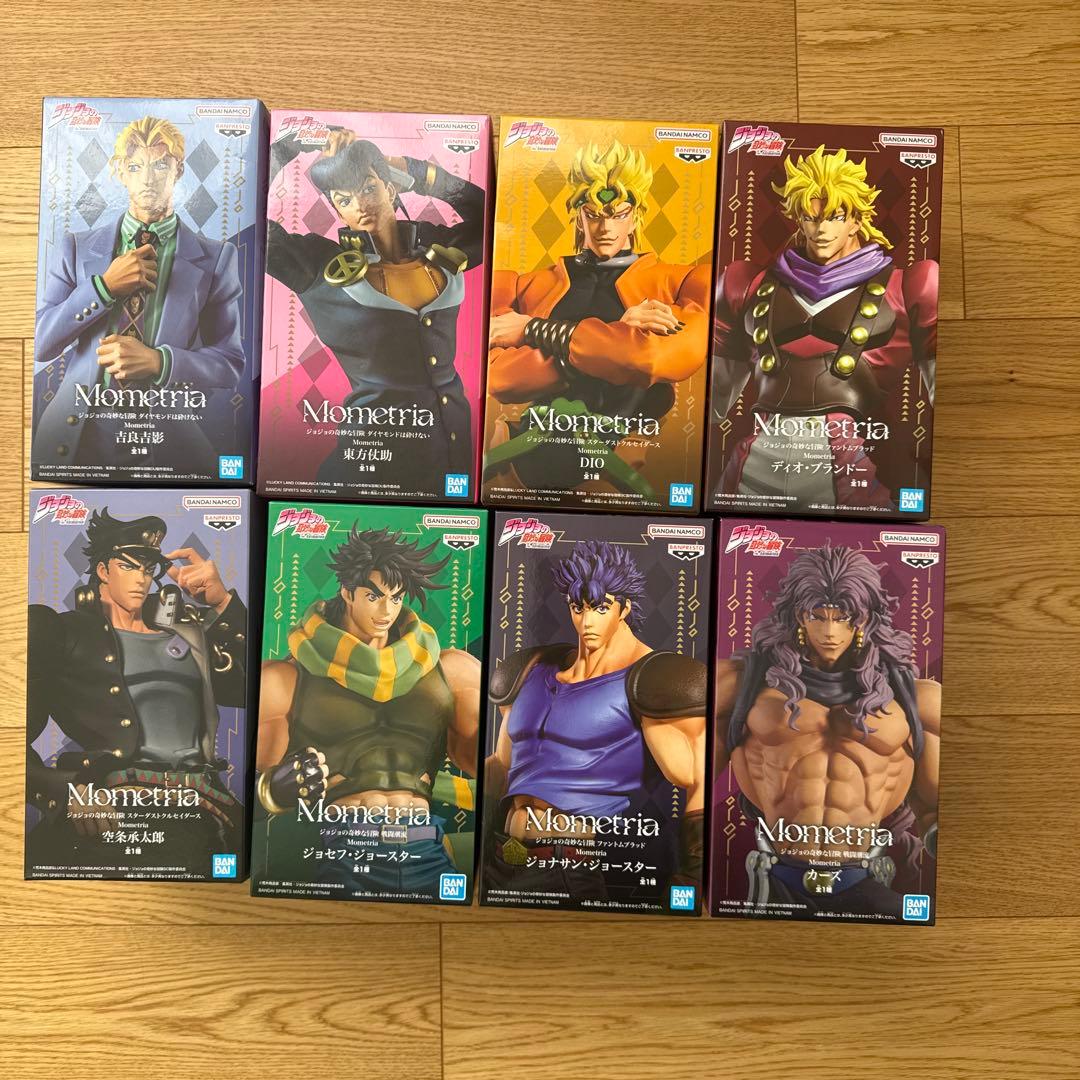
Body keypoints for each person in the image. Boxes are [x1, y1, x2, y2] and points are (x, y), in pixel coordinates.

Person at [715, 544, 941, 916]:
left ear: (866, 619)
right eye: (818, 616)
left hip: (866, 878)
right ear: (798, 616)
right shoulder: (744, 685)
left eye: (845, 617)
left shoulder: (915, 699)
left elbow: (933, 811)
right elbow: (691, 778)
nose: (831, 631)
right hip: (773, 879)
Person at [256, 526, 480, 898]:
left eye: (396, 597)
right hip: (345, 846)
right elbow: (249, 789)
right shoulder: (287, 678)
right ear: (347, 592)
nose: (386, 611)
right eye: (373, 596)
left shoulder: (451, 672)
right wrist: (275, 790)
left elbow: (485, 767)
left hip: (424, 844)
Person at [710, 144, 938, 508]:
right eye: (811, 217)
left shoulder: (908, 286)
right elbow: (713, 404)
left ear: (856, 220)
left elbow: (941, 399)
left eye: (835, 216)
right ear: (799, 219)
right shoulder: (747, 283)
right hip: (754, 467)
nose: (821, 230)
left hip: (856, 470)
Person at [485, 141, 710, 499]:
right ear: (577, 216)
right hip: (515, 465)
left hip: (614, 474)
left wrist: (532, 330)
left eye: (619, 214)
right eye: (593, 214)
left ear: (636, 216)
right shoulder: (522, 284)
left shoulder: (682, 282)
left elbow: (649, 358)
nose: (605, 226)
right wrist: (619, 335)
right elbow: (499, 378)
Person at [485, 540, 706, 903]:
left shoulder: (656, 679)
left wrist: (691, 878)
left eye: (601, 608)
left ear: (624, 608)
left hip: (569, 864)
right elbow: (502, 766)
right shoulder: (529, 670)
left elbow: (696, 779)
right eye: (578, 608)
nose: (587, 621)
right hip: (502, 855)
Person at [26, 509, 247, 869]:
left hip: (206, 802)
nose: (141, 579)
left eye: (148, 569)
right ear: (103, 570)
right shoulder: (61, 633)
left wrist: (222, 603)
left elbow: (245, 690)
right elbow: (10, 740)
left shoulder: (189, 631)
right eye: (128, 566)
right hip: (116, 803)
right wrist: (66, 791)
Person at [266, 128, 485, 488]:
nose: (359, 205)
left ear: (391, 189)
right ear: (338, 210)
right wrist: (292, 144)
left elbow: (491, 219)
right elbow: (250, 228)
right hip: (371, 463)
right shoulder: (317, 266)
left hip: (454, 449)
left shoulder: (438, 248)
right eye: (344, 199)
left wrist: (415, 170)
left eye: (368, 188)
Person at [34, 116, 244, 472]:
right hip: (75, 437)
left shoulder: (217, 258)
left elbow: (230, 364)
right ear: (120, 171)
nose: (148, 179)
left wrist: (160, 362)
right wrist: (102, 288)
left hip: (169, 442)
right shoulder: (75, 248)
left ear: (179, 170)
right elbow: (42, 344)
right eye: (135, 166)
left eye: (161, 165)